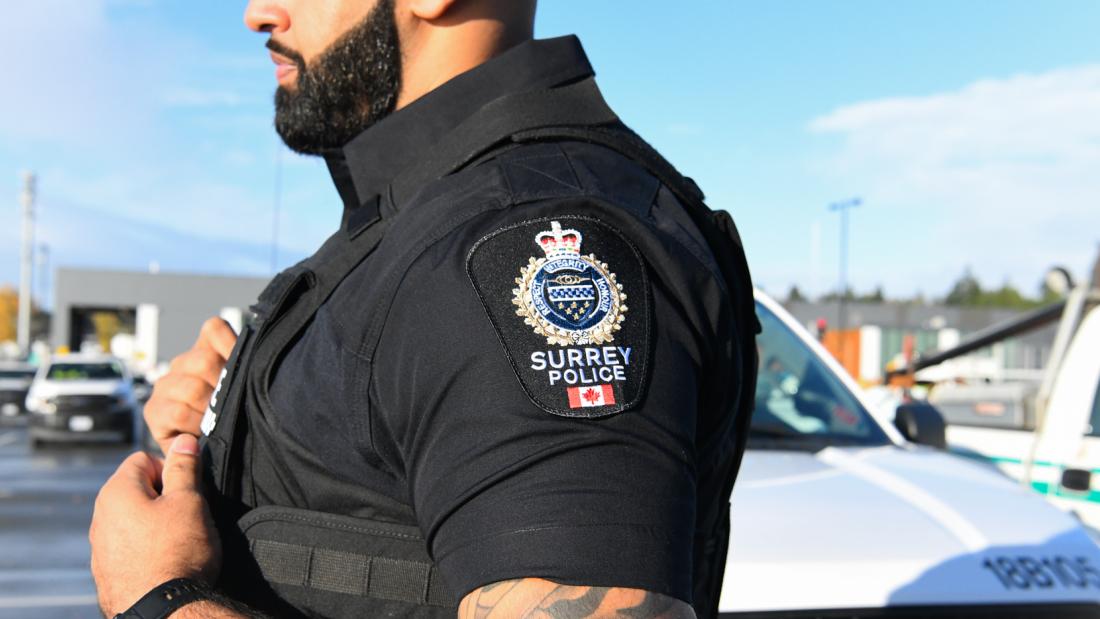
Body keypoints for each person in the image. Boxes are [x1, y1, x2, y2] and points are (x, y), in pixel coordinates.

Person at [90, 1, 758, 618]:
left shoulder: (513, 242)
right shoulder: (421, 224)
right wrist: (215, 443)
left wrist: (158, 597)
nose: (256, 12)